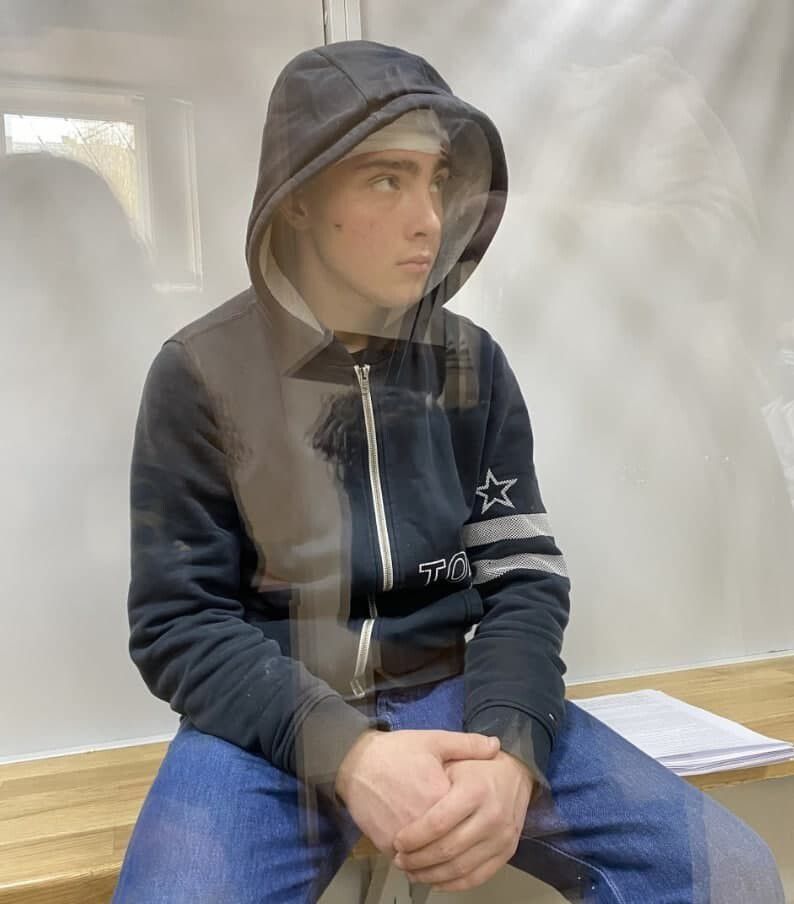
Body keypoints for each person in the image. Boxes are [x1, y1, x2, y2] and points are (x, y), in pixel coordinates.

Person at [112, 40, 785, 903]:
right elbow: (178, 621)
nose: (429, 217)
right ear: (299, 200)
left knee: (731, 873)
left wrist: (512, 750)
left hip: (456, 694)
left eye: (436, 180)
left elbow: (524, 580)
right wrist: (348, 754)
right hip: (268, 720)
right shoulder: (200, 372)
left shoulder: (472, 363)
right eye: (387, 180)